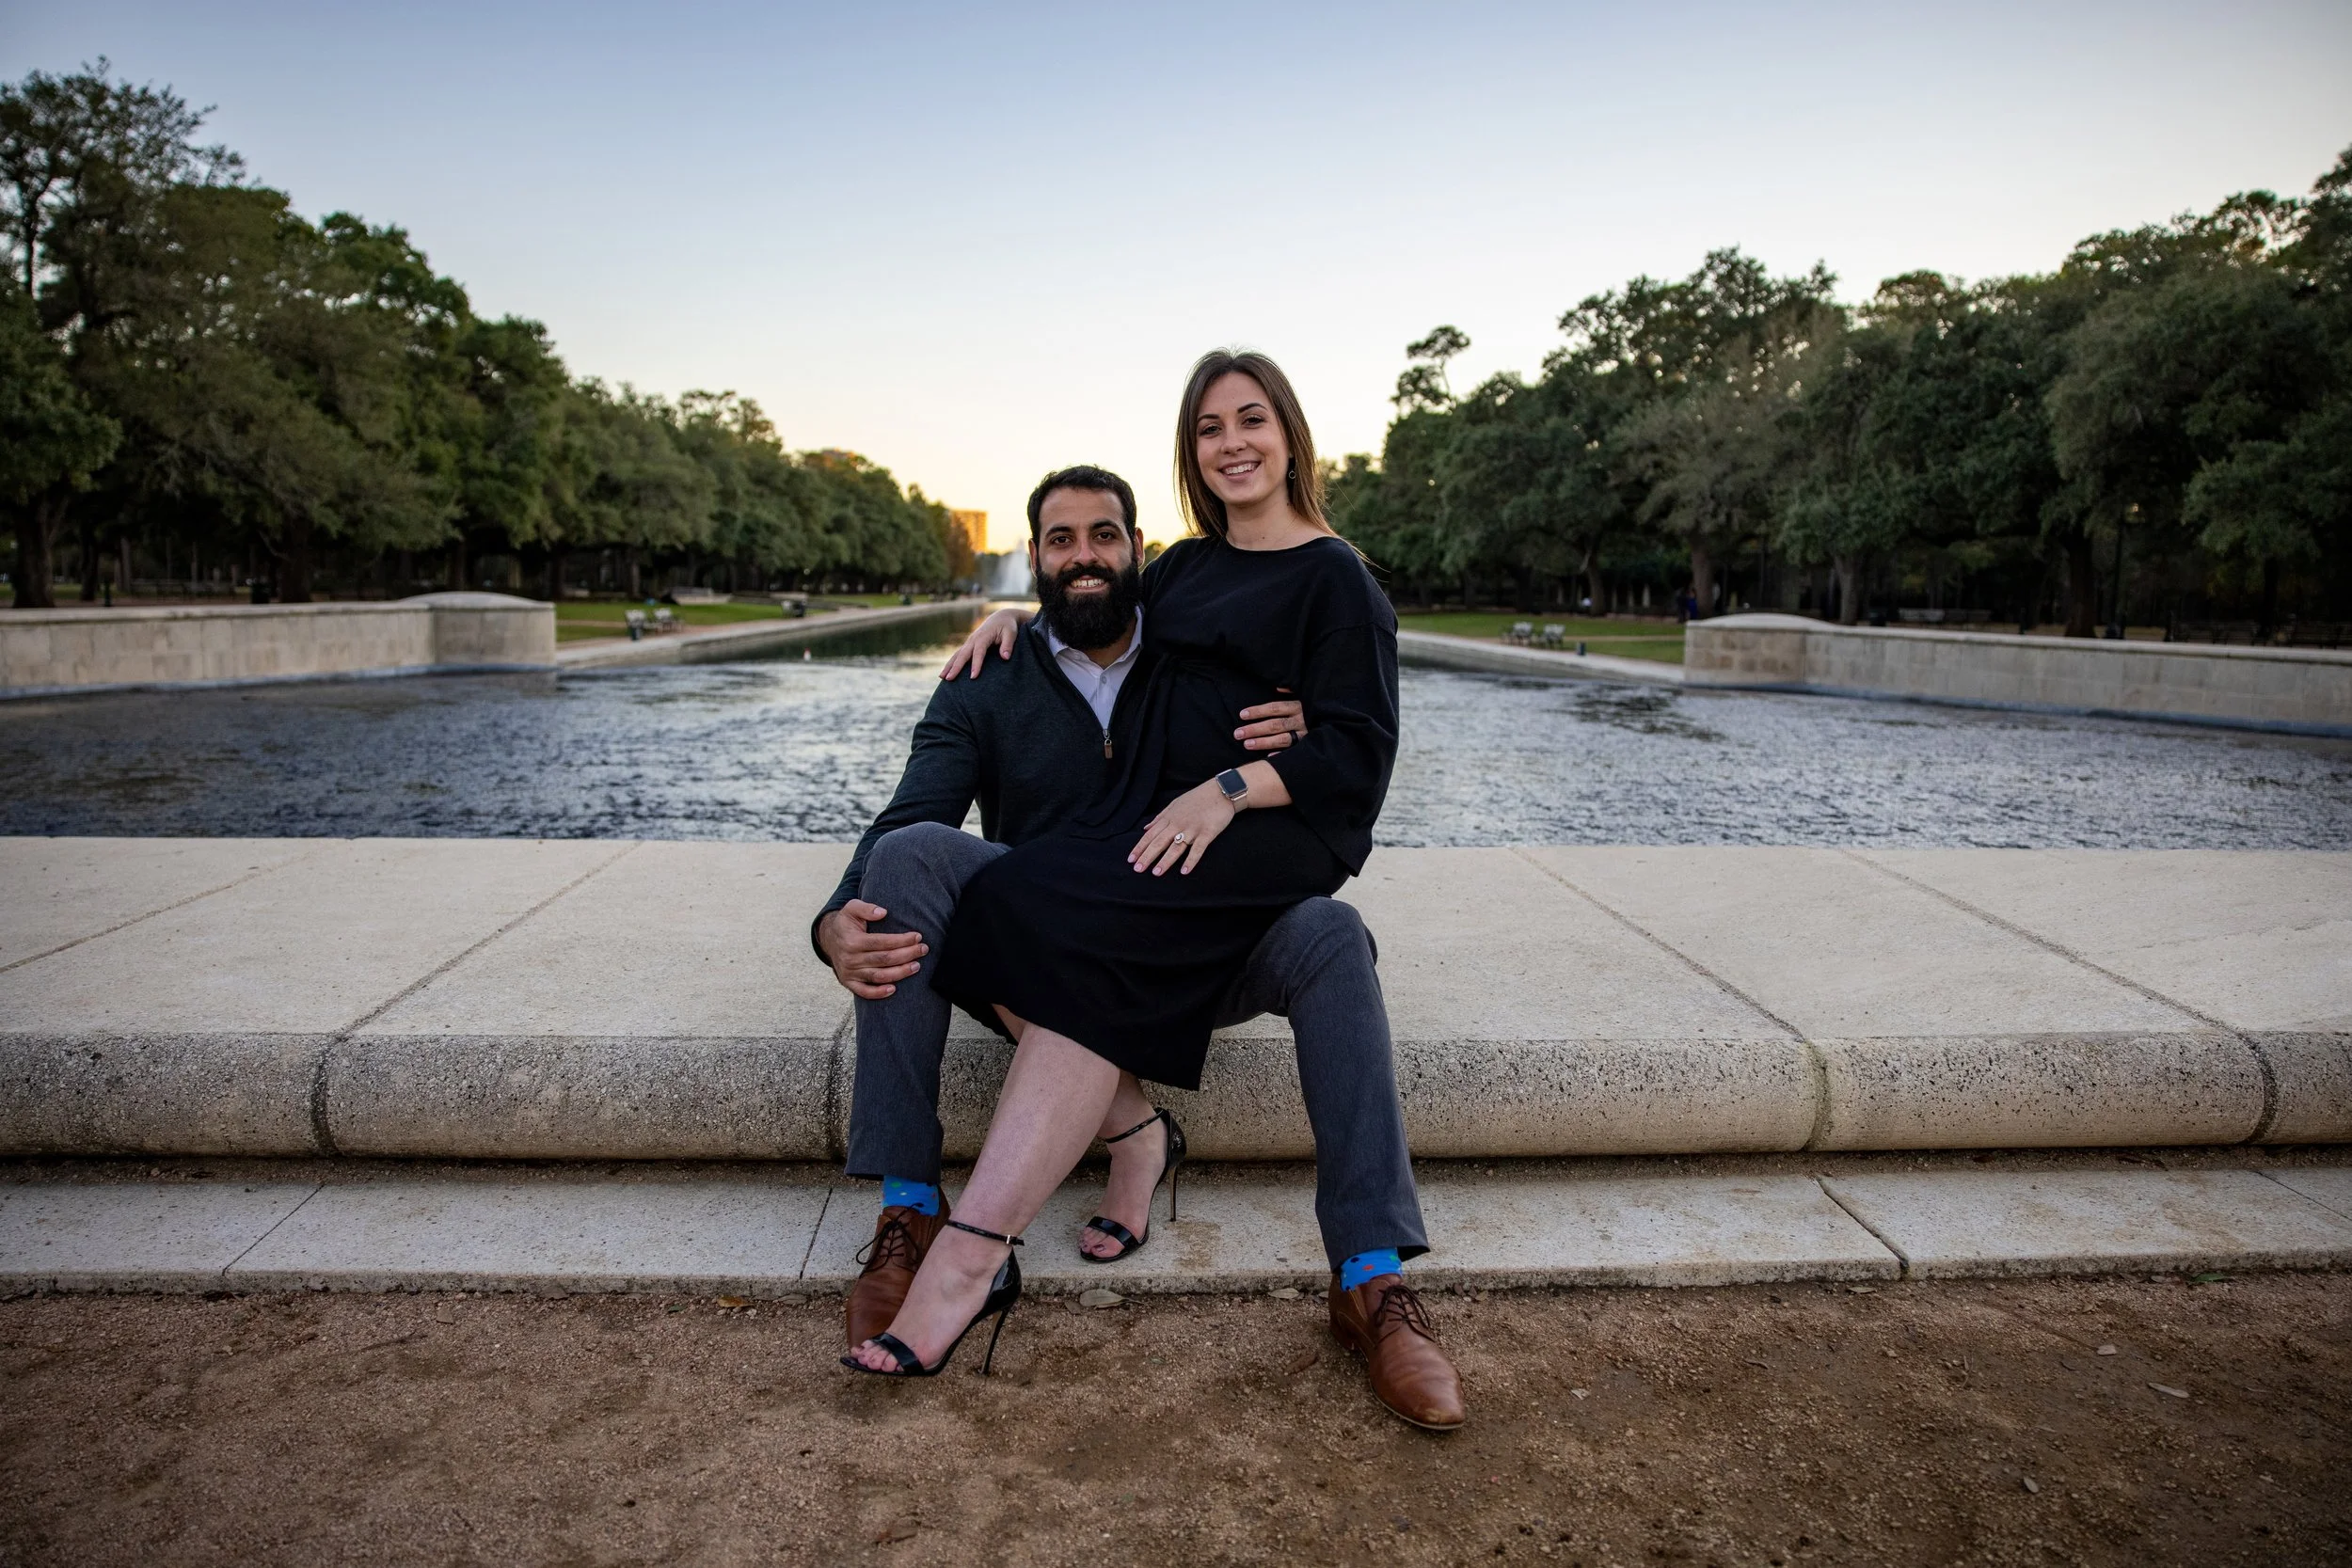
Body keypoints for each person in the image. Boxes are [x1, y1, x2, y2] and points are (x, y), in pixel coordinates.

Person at [842, 351, 1464, 1431]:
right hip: (1148, 841)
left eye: (1251, 420)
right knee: (1002, 901)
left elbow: (1361, 751)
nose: (1232, 443)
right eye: (1209, 427)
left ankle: (1369, 1279)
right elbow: (1107, 621)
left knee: (1323, 934)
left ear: (1289, 434)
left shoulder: (1338, 579)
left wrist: (1237, 782)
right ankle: (1090, 1155)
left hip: (1253, 841)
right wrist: (1011, 623)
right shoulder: (1180, 573)